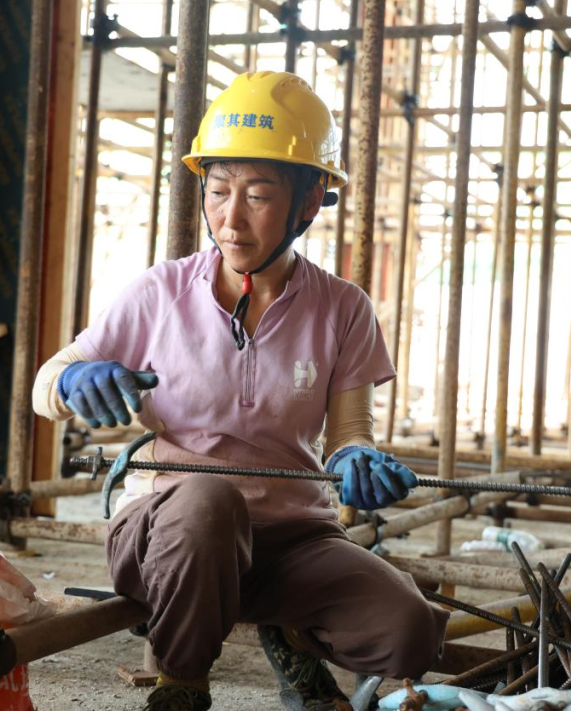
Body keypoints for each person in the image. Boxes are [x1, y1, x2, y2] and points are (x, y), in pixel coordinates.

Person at [33, 71, 448, 711]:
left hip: (291, 539)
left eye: (257, 195)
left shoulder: (343, 308)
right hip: (168, 530)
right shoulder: (160, 292)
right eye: (219, 191)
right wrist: (71, 379)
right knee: (208, 499)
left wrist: (356, 460)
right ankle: (181, 682)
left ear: (310, 201)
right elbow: (44, 387)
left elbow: (349, 434)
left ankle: (286, 627)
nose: (230, 218)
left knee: (409, 631)